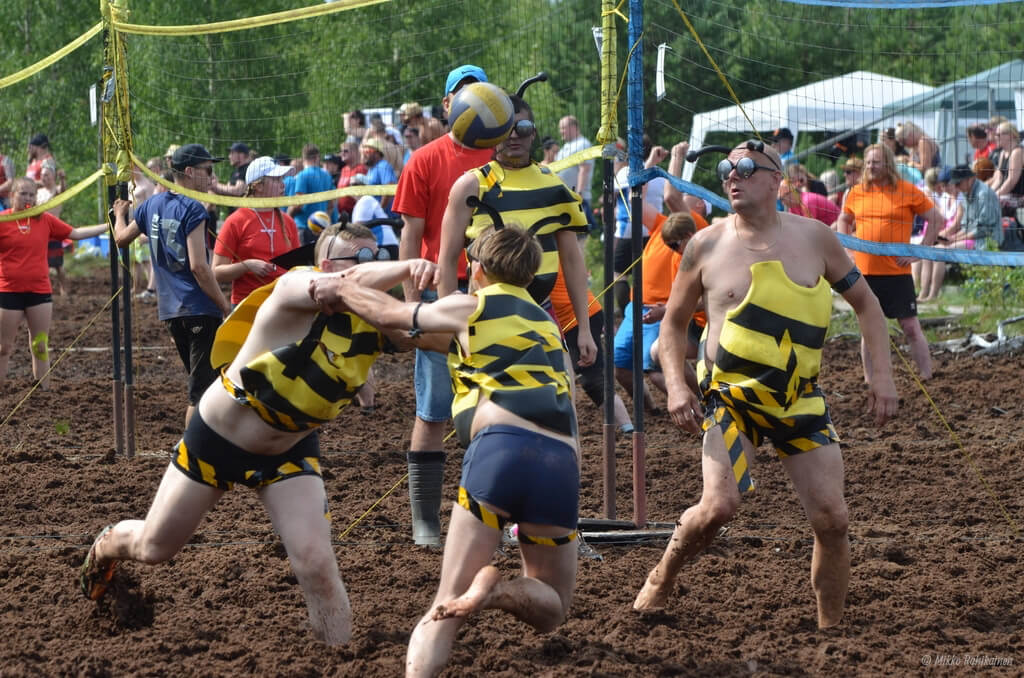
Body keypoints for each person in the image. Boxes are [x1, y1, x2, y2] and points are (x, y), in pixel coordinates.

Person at [79, 220, 440, 647]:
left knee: (315, 561)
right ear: (327, 264)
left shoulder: (376, 317)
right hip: (217, 440)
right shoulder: (296, 285)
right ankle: (107, 544)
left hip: (288, 448)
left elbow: (425, 334)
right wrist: (408, 265)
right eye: (361, 257)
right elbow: (340, 286)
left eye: (378, 254)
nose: (373, 264)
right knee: (155, 548)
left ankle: (339, 655)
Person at [632, 139, 900, 630]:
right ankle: (661, 576)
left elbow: (868, 304)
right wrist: (676, 386)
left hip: (798, 398)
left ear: (777, 179)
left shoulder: (816, 238)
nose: (732, 176)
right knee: (719, 507)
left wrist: (880, 375)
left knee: (833, 519)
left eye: (746, 167)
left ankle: (831, 631)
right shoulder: (705, 243)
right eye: (726, 168)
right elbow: (672, 324)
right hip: (730, 399)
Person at [308, 223, 580, 677]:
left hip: (500, 449)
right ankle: (496, 593)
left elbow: (394, 316)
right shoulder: (548, 327)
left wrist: (342, 288)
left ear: (478, 268)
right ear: (530, 275)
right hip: (560, 462)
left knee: (444, 606)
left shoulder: (471, 305)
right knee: (553, 605)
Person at [392, 63, 494, 545]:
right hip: (438, 292)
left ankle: (491, 513)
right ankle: (426, 521)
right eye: (463, 92)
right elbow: (411, 235)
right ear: (448, 103)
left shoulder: (502, 155)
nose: (472, 99)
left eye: (480, 91)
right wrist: (413, 304)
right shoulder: (424, 159)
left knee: (497, 406)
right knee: (434, 409)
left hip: (493, 296)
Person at [438, 95, 596, 364]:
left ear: (533, 133)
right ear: (493, 133)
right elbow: (447, 258)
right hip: (484, 317)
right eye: (505, 129)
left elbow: (572, 260)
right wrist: (449, 324)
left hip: (541, 313)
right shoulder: (471, 185)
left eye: (522, 128)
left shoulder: (554, 186)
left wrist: (584, 329)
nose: (513, 136)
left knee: (562, 387)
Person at [112, 143, 233, 426]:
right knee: (201, 394)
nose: (212, 177)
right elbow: (199, 267)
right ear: (189, 172)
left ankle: (207, 443)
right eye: (207, 170)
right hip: (199, 308)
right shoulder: (194, 209)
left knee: (207, 385)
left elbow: (121, 239)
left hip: (170, 312)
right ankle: (191, 449)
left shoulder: (151, 205)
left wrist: (118, 214)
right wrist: (224, 305)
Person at [836, 143, 944, 380]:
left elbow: (937, 219)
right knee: (869, 329)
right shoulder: (856, 192)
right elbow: (843, 219)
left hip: (897, 272)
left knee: (911, 327)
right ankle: (870, 380)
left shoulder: (907, 190)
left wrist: (920, 251)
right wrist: (848, 250)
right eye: (868, 162)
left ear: (888, 164)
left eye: (875, 162)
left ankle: (927, 376)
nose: (870, 166)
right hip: (865, 272)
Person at [0, 178, 107, 387]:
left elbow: (76, 233)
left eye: (32, 194)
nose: (28, 198)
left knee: (40, 346)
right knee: (3, 347)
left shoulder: (44, 219)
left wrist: (108, 224)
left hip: (39, 291)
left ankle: (44, 392)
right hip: (8, 290)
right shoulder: (3, 220)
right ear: (12, 196)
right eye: (23, 194)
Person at [614, 211, 698, 408]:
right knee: (619, 364)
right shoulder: (666, 224)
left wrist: (666, 310)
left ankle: (698, 404)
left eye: (673, 245)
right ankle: (650, 410)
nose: (671, 249)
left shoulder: (695, 231)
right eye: (668, 245)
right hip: (637, 308)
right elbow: (639, 204)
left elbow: (672, 197)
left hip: (665, 311)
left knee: (656, 366)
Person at [213, 156, 300, 307]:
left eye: (282, 179)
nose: (283, 184)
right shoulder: (235, 221)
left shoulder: (288, 222)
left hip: (283, 305)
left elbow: (298, 267)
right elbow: (216, 272)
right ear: (258, 186)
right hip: (247, 305)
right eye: (276, 179)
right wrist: (247, 265)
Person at [288, 144, 336, 244]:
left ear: (303, 158)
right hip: (321, 229)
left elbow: (298, 204)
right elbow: (331, 204)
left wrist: (287, 217)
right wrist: (323, 221)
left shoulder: (302, 175)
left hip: (305, 227)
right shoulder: (327, 175)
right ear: (317, 157)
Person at [555, 115, 596, 229]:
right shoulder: (565, 146)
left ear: (574, 127)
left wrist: (578, 195)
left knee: (578, 234)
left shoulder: (583, 144)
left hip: (577, 199)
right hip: (564, 198)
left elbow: (584, 170)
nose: (561, 131)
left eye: (563, 128)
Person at [988, 122, 1024, 210]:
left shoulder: (1017, 152)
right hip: (1008, 195)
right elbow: (999, 179)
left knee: (993, 201)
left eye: (998, 135)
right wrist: (990, 193)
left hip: (1019, 196)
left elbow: (1012, 180)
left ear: (1010, 136)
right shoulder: (1003, 153)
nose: (995, 137)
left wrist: (996, 195)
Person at [336, 141, 368, 217]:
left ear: (355, 153)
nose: (342, 153)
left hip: (355, 213)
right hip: (341, 214)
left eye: (345, 151)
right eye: (341, 151)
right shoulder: (344, 169)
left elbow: (363, 195)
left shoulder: (361, 169)